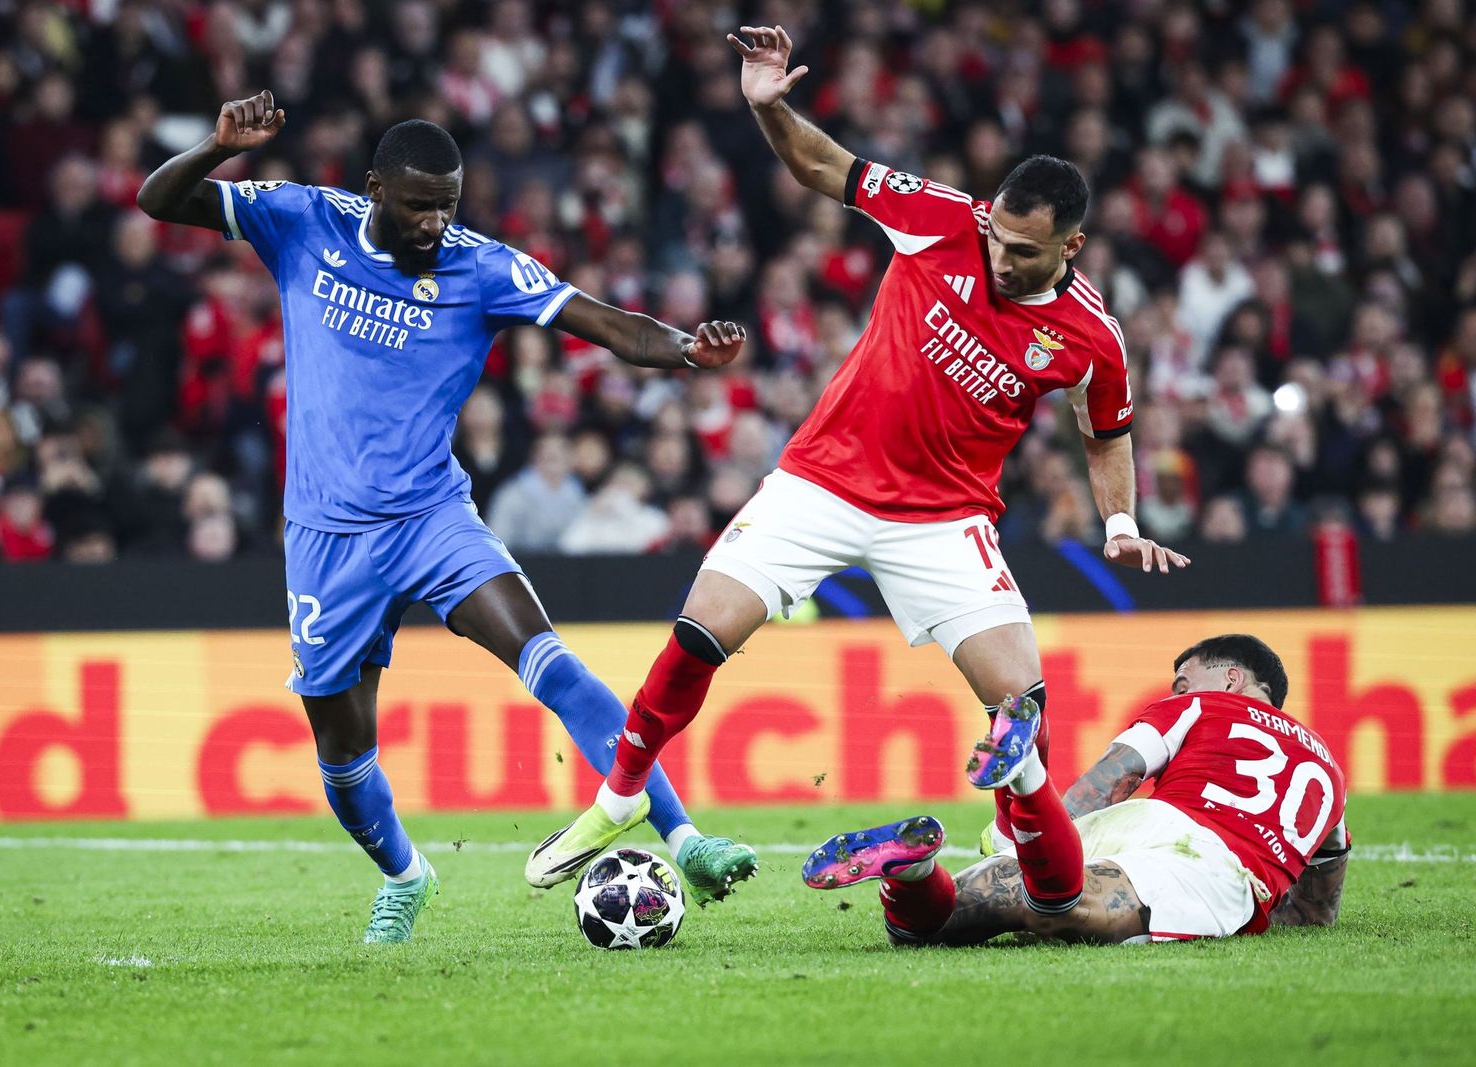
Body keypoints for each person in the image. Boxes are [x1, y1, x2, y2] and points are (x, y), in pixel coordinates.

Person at [527, 25, 1191, 888]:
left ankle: (1015, 853)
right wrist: (771, 106)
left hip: (945, 520)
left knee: (1020, 710)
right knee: (697, 632)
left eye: (1022, 252)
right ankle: (620, 795)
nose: (997, 255)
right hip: (822, 481)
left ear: (1071, 247)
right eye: (995, 234)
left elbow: (1106, 434)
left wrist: (1121, 521)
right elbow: (821, 165)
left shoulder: (1092, 336)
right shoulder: (941, 219)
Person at [137, 90, 757, 944]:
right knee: (342, 753)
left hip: (432, 518)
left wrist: (686, 348)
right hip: (325, 540)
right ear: (376, 190)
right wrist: (214, 146)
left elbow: (605, 323)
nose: (435, 221)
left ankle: (684, 837)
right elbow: (157, 200)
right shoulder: (305, 222)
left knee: (550, 660)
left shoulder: (481, 267)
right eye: (419, 203)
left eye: (448, 204)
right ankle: (405, 872)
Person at [803, 634, 1349, 946]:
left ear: (1232, 678)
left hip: (1146, 825)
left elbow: (1114, 777)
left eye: (1184, 679)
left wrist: (1033, 838)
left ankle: (916, 873)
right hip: (1207, 863)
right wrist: (1251, 907)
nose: (1176, 688)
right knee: (1063, 908)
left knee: (933, 927)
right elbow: (1315, 911)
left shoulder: (1196, 708)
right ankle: (1026, 781)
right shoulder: (1331, 774)